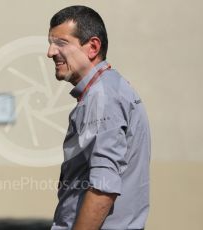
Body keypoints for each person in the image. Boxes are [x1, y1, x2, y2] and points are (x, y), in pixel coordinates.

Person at [47, 5, 151, 230]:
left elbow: (103, 188)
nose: (51, 52)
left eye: (61, 44)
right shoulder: (107, 90)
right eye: (50, 44)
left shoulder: (101, 97)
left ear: (93, 47)